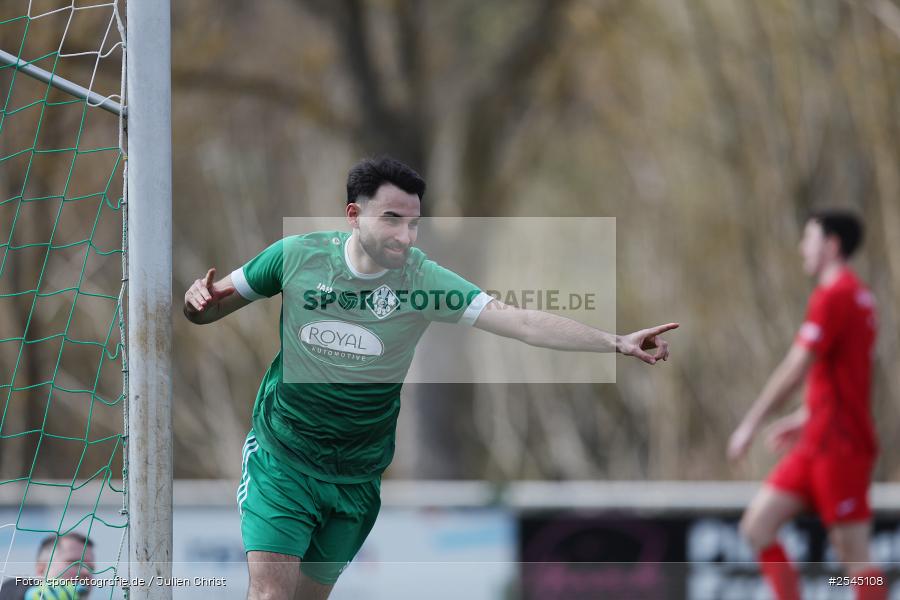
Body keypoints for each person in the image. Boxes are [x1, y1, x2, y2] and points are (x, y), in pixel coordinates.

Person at [184, 156, 679, 600]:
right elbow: (209, 308)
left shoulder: (423, 281)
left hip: (356, 477)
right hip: (283, 458)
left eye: (415, 224)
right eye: (392, 220)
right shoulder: (296, 256)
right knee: (271, 596)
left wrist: (613, 342)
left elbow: (522, 322)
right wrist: (196, 302)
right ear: (354, 216)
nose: (406, 236)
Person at [728, 210, 885, 600]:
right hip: (817, 439)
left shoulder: (837, 295)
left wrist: (751, 422)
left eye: (809, 239)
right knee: (756, 527)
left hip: (841, 448)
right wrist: (806, 416)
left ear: (831, 245)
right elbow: (843, 375)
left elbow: (796, 368)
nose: (802, 248)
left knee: (856, 563)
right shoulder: (857, 295)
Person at [0, 533, 94, 600]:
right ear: (42, 569)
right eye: (75, 563)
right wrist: (31, 595)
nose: (86, 572)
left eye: (91, 568)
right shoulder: (15, 590)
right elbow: (9, 590)